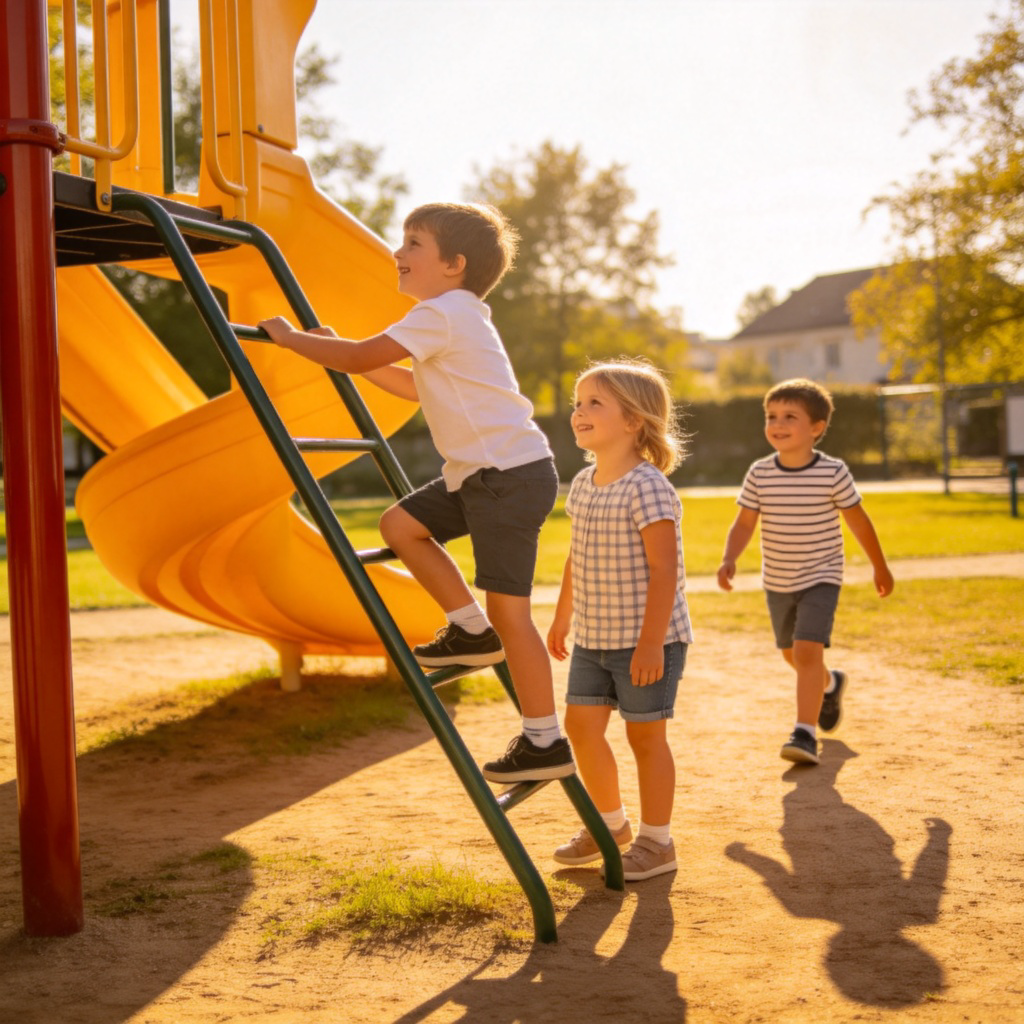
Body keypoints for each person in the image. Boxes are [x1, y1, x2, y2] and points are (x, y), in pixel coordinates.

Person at [258, 202, 573, 783]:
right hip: (485, 475)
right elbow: (411, 387)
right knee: (400, 525)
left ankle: (544, 741)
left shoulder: (444, 312)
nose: (398, 253)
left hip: (506, 477)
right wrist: (346, 356)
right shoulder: (457, 314)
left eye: (412, 244)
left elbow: (357, 355)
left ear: (453, 264)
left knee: (513, 615)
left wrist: (292, 339)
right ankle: (469, 628)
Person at [547, 359, 692, 882]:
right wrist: (563, 616)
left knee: (645, 738)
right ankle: (609, 826)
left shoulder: (648, 487)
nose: (579, 412)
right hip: (593, 635)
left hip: (647, 642)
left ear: (633, 421)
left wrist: (651, 644)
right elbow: (576, 555)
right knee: (580, 728)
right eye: (577, 403)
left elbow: (664, 571)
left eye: (594, 403)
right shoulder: (584, 483)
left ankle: (658, 842)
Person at [717, 378, 894, 766]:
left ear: (816, 428)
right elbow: (744, 523)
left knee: (808, 651)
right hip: (777, 580)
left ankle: (804, 732)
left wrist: (879, 566)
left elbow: (859, 522)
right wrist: (730, 557)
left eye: (789, 417)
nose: (777, 424)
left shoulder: (833, 472)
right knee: (791, 655)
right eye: (771, 416)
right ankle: (831, 685)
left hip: (821, 576)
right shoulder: (760, 473)